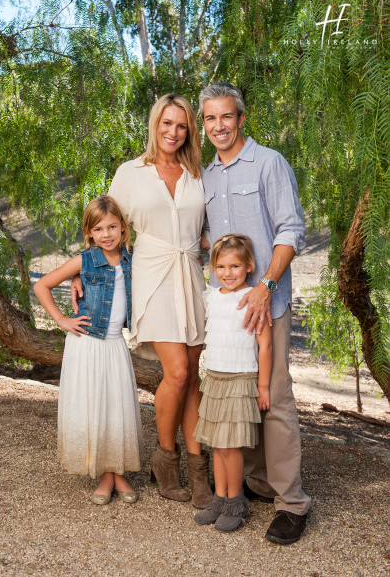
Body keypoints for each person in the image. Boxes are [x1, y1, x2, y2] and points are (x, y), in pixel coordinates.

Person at [72, 94, 213, 509]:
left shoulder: (197, 172)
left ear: (189, 131)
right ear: (155, 125)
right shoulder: (131, 173)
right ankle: (164, 461)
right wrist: (85, 271)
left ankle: (198, 467)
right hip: (152, 278)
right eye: (166, 123)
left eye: (182, 125)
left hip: (191, 275)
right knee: (177, 370)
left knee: (193, 377)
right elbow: (104, 225)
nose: (173, 132)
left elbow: (203, 228)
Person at [200, 82, 311, 544]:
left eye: (226, 117)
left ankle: (291, 502)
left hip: (267, 303)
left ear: (241, 119)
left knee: (275, 399)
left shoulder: (269, 163)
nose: (218, 126)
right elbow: (208, 238)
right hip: (227, 310)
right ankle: (254, 483)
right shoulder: (206, 176)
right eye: (210, 119)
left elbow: (292, 229)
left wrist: (265, 285)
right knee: (238, 395)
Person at [34, 195, 143, 505]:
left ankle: (115, 472)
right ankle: (105, 475)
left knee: (115, 406)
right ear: (90, 233)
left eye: (112, 227)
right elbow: (41, 286)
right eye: (98, 229)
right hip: (87, 343)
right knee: (94, 404)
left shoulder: (132, 258)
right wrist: (62, 320)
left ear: (123, 228)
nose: (106, 234)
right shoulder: (85, 260)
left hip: (114, 344)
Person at [193, 234, 272, 533]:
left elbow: (265, 346)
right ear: (213, 267)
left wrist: (262, 387)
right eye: (221, 266)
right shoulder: (210, 296)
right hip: (214, 378)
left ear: (249, 266)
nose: (228, 273)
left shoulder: (254, 297)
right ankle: (220, 497)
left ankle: (236, 501)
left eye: (235, 266)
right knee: (216, 444)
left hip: (240, 379)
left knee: (230, 446)